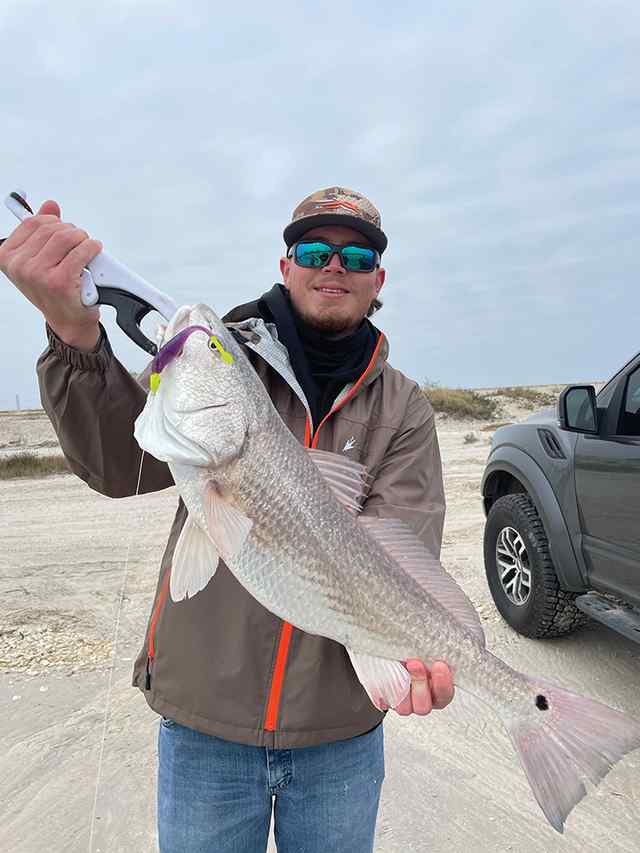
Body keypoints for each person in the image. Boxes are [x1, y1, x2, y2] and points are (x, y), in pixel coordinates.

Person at [0, 186, 454, 852]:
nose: (334, 265)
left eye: (357, 256)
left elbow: (401, 549)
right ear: (285, 264)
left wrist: (414, 652)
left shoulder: (404, 406)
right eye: (314, 250)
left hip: (339, 736)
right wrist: (75, 336)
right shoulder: (213, 356)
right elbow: (118, 462)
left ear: (377, 280)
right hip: (204, 726)